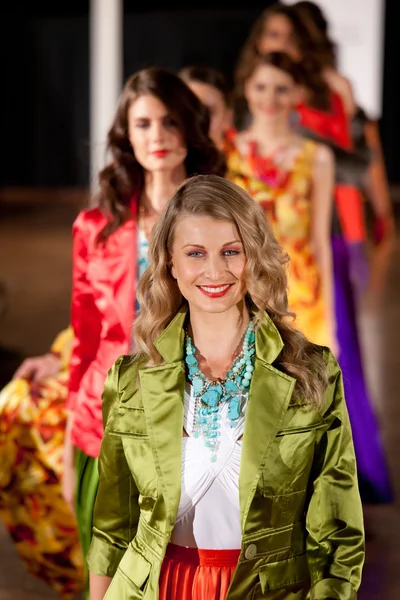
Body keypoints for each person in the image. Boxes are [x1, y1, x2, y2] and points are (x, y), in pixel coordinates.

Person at [87, 174, 364, 600]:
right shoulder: (130, 381)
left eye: (231, 252)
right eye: (195, 253)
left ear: (254, 257)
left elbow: (339, 540)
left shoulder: (311, 373)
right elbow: (110, 534)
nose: (215, 271)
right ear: (170, 263)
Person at [234, 5, 393, 504]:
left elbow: (360, 157)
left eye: (288, 34)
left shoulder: (328, 95)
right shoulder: (236, 135)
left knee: (318, 372)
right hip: (250, 272)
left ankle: (335, 475)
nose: (278, 43)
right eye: (270, 34)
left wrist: (375, 209)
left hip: (313, 250)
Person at [228, 51, 336, 353]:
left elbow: (319, 240)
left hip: (302, 298)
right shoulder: (227, 154)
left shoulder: (317, 158)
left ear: (298, 94)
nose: (269, 98)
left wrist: (331, 321)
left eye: (281, 89)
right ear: (247, 89)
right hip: (243, 293)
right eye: (261, 87)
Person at [178, 65, 233, 148]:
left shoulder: (244, 159)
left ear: (227, 118)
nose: (197, 121)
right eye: (188, 111)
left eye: (207, 112)